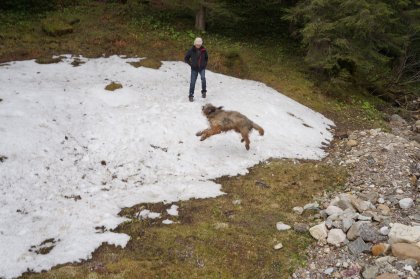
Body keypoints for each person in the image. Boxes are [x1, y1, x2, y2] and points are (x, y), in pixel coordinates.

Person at [184, 37, 208, 102]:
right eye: (197, 44)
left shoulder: (204, 50)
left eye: (199, 44)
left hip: (201, 68)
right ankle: (191, 95)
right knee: (192, 82)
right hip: (194, 69)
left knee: (203, 78)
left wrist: (204, 64)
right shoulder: (191, 50)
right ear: (195, 44)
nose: (198, 45)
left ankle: (204, 92)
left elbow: (206, 58)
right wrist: (191, 64)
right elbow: (186, 58)